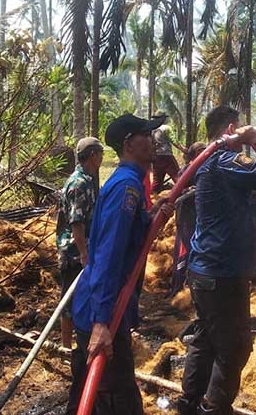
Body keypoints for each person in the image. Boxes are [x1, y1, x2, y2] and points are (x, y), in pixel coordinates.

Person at [177, 106, 256, 415]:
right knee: (235, 348)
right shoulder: (226, 161)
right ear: (229, 128)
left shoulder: (220, 162)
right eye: (239, 127)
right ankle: (213, 409)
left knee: (205, 341)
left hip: (207, 271)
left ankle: (188, 407)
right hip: (222, 273)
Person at [67, 114, 174, 415]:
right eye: (145, 135)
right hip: (103, 312)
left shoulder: (130, 184)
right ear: (129, 144)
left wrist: (152, 218)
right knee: (117, 400)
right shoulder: (126, 187)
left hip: (107, 307)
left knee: (93, 392)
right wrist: (103, 322)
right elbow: (108, 255)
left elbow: (127, 239)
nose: (152, 141)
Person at [56, 137, 104, 349]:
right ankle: (66, 346)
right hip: (74, 251)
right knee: (69, 299)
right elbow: (77, 223)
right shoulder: (79, 183)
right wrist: (84, 253)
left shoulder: (90, 179)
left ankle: (81, 340)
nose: (102, 158)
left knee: (83, 296)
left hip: (85, 248)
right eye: (100, 154)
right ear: (93, 156)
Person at [170, 141, 208, 297]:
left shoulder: (204, 169)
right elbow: (179, 189)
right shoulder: (188, 170)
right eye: (204, 151)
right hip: (186, 217)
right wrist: (190, 189)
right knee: (184, 252)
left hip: (198, 218)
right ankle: (178, 288)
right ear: (198, 153)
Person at [152, 112, 186, 193]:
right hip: (166, 156)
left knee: (157, 182)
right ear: (164, 119)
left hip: (156, 157)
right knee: (177, 176)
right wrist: (183, 150)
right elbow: (174, 141)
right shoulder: (166, 128)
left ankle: (153, 195)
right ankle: (183, 192)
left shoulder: (152, 129)